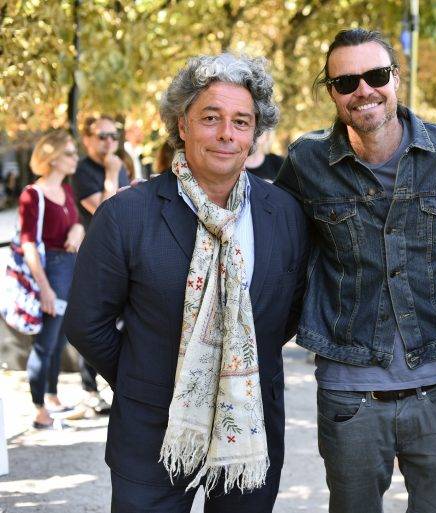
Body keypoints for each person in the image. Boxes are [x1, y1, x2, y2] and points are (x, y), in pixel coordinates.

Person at [64, 53, 308, 512]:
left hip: (248, 431)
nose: (226, 134)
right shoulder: (126, 214)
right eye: (210, 118)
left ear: (254, 133)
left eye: (241, 121)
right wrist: (150, 381)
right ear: (182, 125)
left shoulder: (284, 213)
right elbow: (86, 323)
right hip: (153, 434)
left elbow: (284, 311)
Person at [275, 28, 436, 513]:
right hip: (350, 392)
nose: (363, 90)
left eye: (376, 75)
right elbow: (275, 243)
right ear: (332, 92)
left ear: (396, 79)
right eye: (346, 82)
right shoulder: (306, 160)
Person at [19, 130, 84, 428]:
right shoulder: (33, 194)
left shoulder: (67, 191)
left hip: (69, 269)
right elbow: (29, 243)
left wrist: (77, 231)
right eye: (69, 153)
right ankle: (38, 408)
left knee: (59, 340)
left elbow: (77, 224)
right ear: (52, 157)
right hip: (51, 272)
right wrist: (44, 287)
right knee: (45, 342)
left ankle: (52, 395)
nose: (75, 159)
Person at [72, 115, 131, 413]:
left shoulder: (119, 166)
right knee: (93, 322)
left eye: (113, 135)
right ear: (87, 139)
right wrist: (111, 173)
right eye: (102, 136)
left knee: (121, 322)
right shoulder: (84, 171)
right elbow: (106, 214)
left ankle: (114, 384)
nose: (109, 141)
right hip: (94, 259)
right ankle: (88, 388)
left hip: (122, 259)